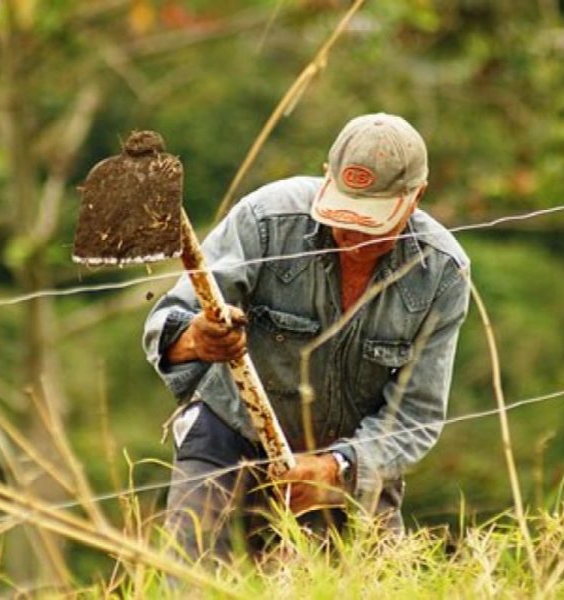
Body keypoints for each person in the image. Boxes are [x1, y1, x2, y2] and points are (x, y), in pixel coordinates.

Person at [143, 113, 470, 560]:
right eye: (344, 218)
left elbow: (416, 414)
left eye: (371, 223)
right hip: (230, 441)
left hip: (351, 468)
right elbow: (171, 323)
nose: (353, 237)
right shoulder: (267, 220)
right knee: (194, 581)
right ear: (326, 179)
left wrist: (333, 470)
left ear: (415, 197)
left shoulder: (442, 274)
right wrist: (198, 340)